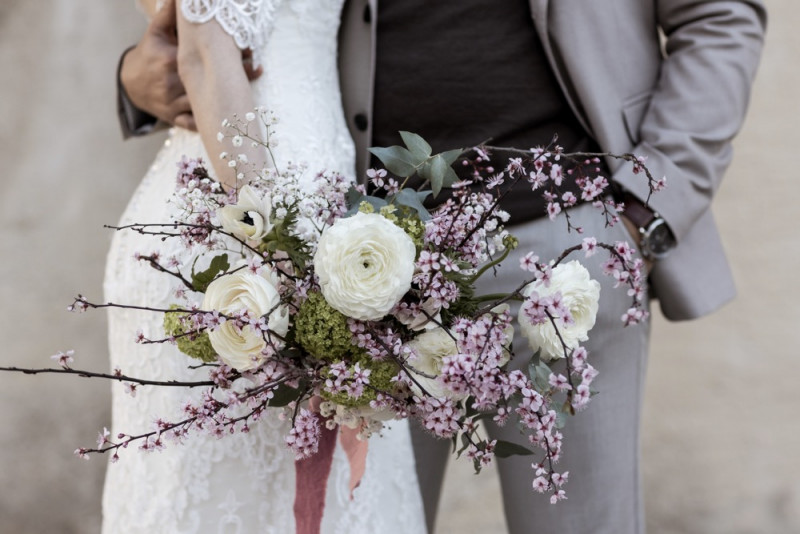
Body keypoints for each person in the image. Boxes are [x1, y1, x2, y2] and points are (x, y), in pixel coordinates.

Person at [119, 1, 766, 533]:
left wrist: (644, 211)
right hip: (365, 273)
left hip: (569, 255)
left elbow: (719, 13)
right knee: (373, 516)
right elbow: (222, 34)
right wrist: (135, 80)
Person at [105, 0, 426, 532]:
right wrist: (278, 251)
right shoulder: (273, 245)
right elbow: (206, 53)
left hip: (321, 211)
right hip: (241, 231)